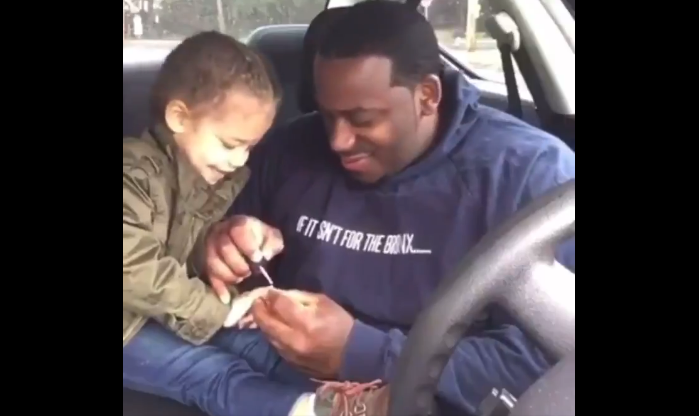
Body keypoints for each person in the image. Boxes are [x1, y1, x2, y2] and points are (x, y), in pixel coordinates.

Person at [206, 1, 576, 415]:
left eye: (362, 119)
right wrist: (221, 242)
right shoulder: (290, 150)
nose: (337, 141)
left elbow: (549, 362)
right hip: (253, 371)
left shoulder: (531, 175)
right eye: (328, 116)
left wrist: (361, 351)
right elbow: (197, 254)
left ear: (427, 96)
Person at [122, 31, 322, 416]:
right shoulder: (134, 172)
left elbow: (177, 247)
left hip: (156, 306)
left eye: (249, 147)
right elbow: (131, 264)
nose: (239, 161)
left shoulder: (205, 179)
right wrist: (215, 311)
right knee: (212, 372)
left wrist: (219, 252)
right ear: (179, 117)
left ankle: (350, 397)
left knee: (255, 343)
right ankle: (306, 410)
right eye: (231, 145)